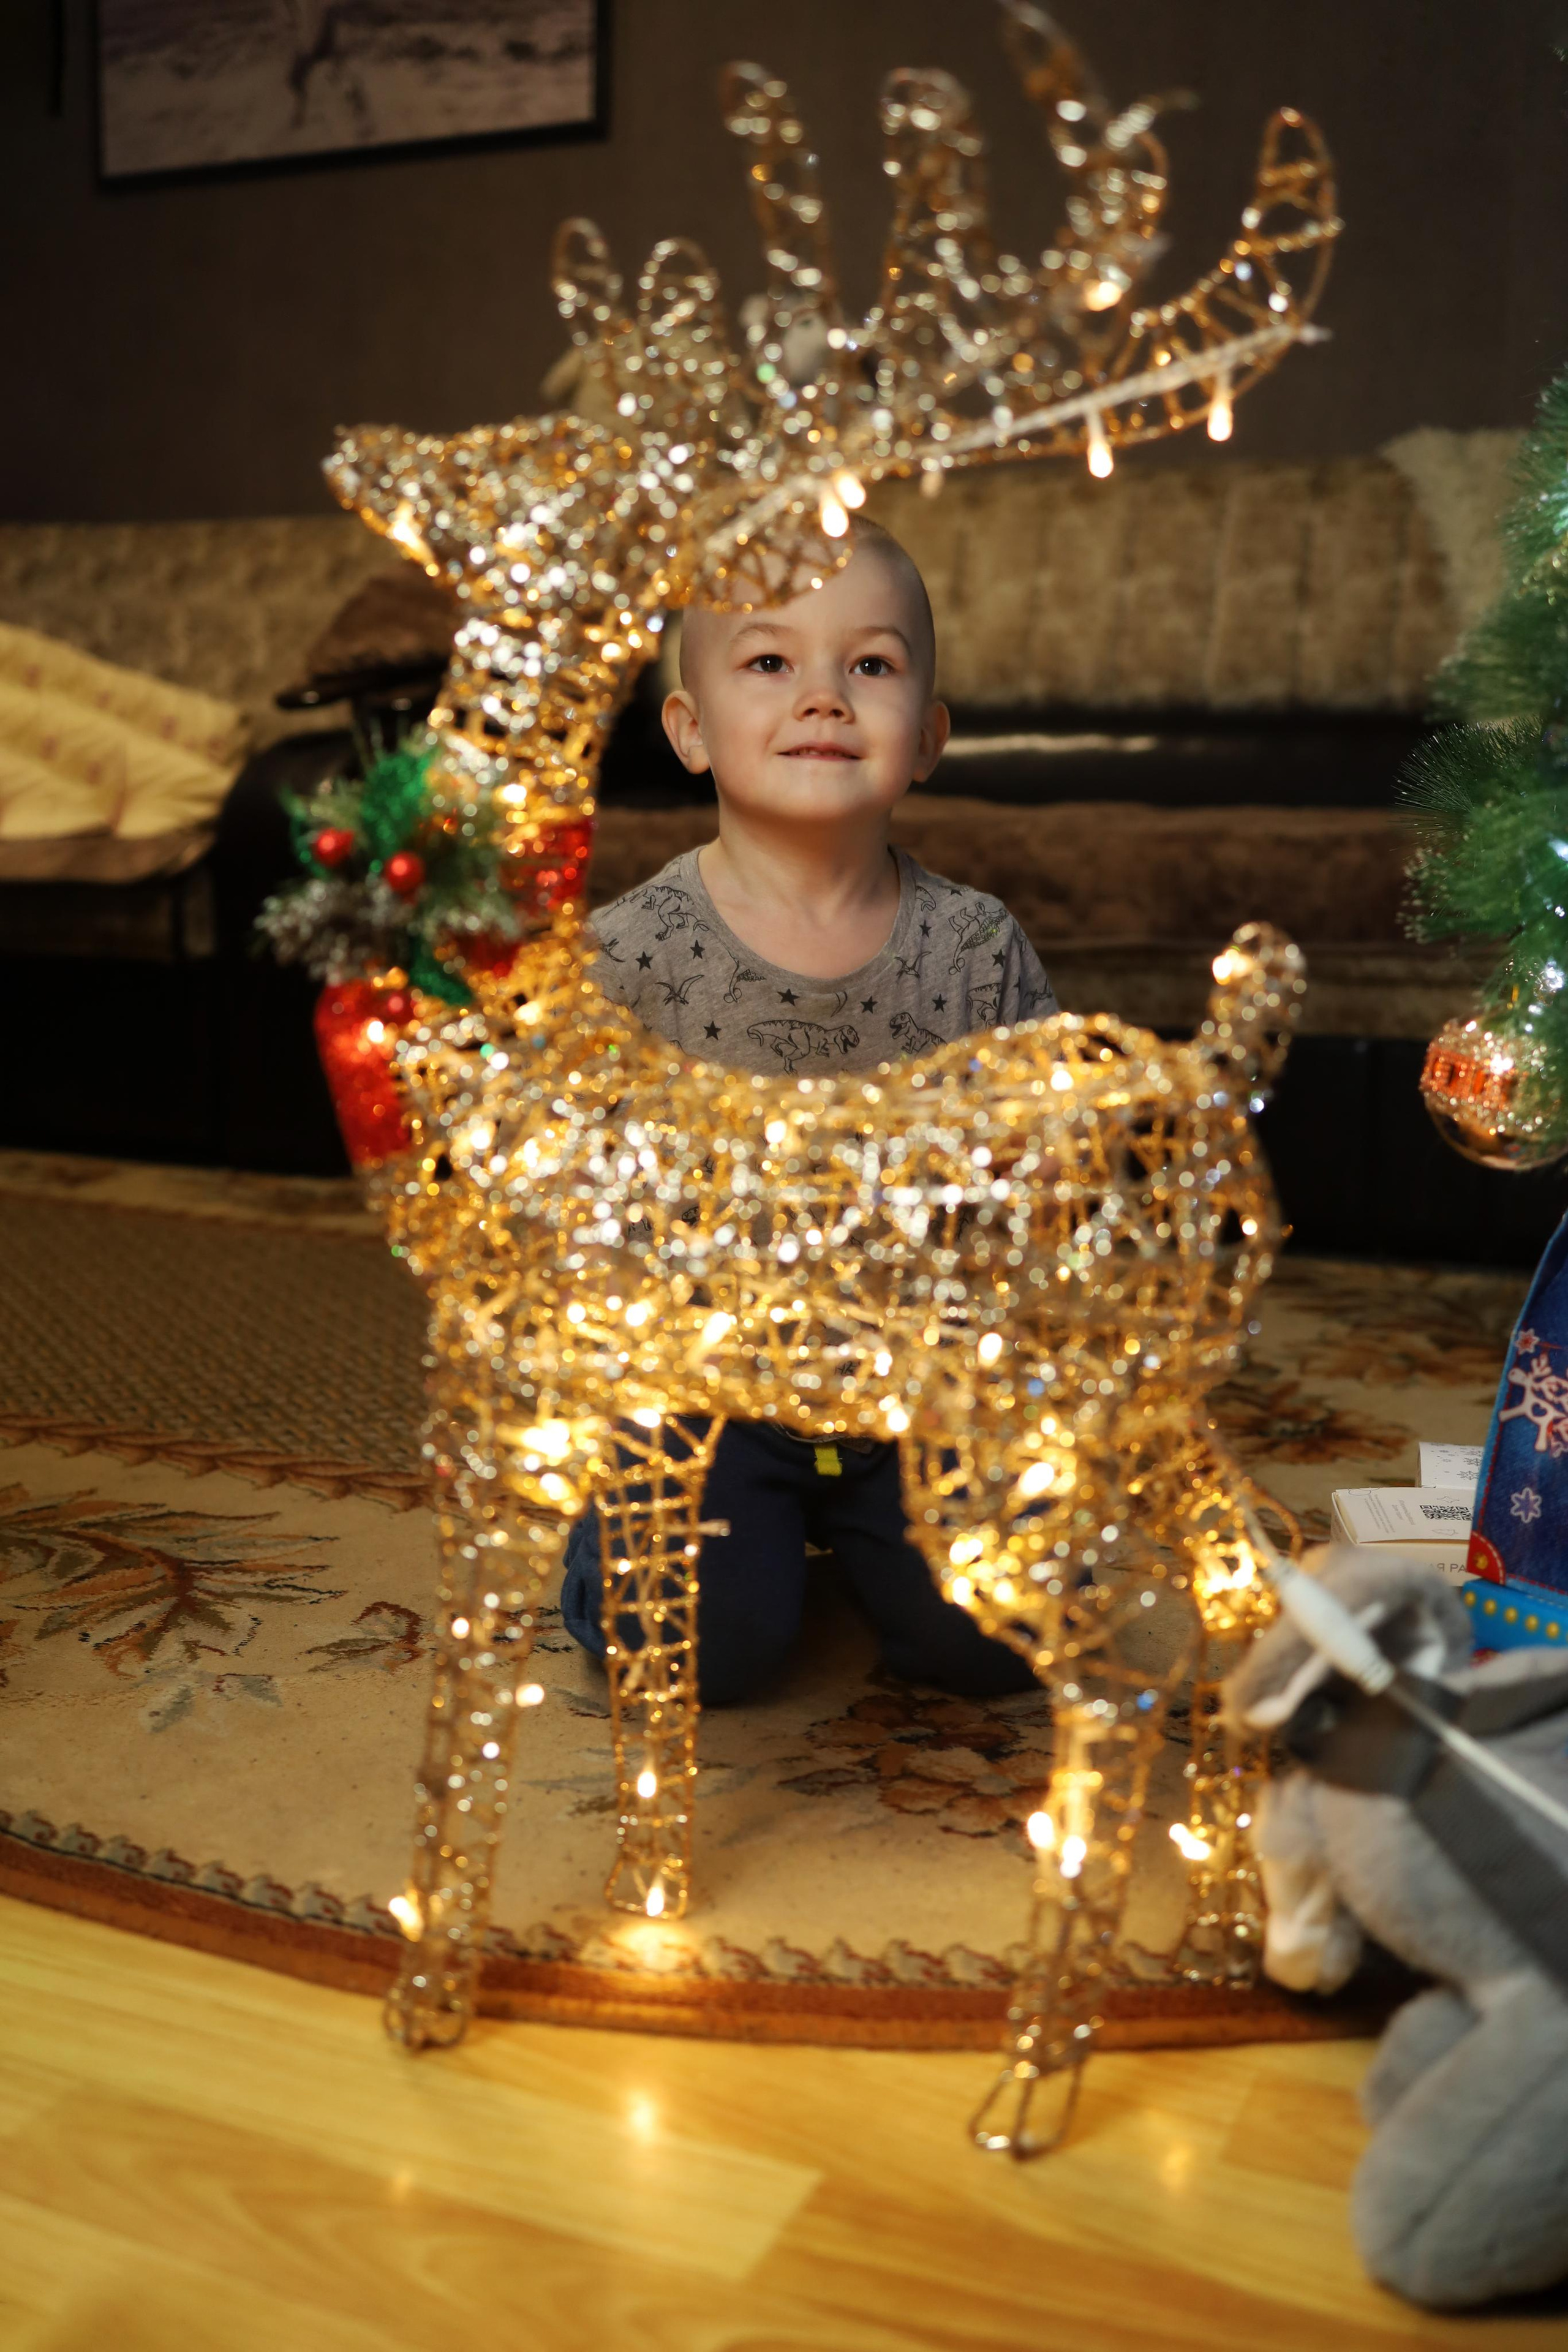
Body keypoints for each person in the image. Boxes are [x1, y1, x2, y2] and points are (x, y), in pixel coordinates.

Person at [562, 519, 1055, 1705]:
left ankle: (875, 1544)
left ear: (927, 737)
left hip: (919, 1390)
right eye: (771, 663)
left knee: (994, 1648)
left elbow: (1050, 1167)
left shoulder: (978, 945)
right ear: (689, 731)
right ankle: (611, 1538)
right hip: (706, 1400)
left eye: (871, 667)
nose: (824, 699)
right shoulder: (628, 957)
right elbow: (571, 1201)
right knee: (700, 1655)